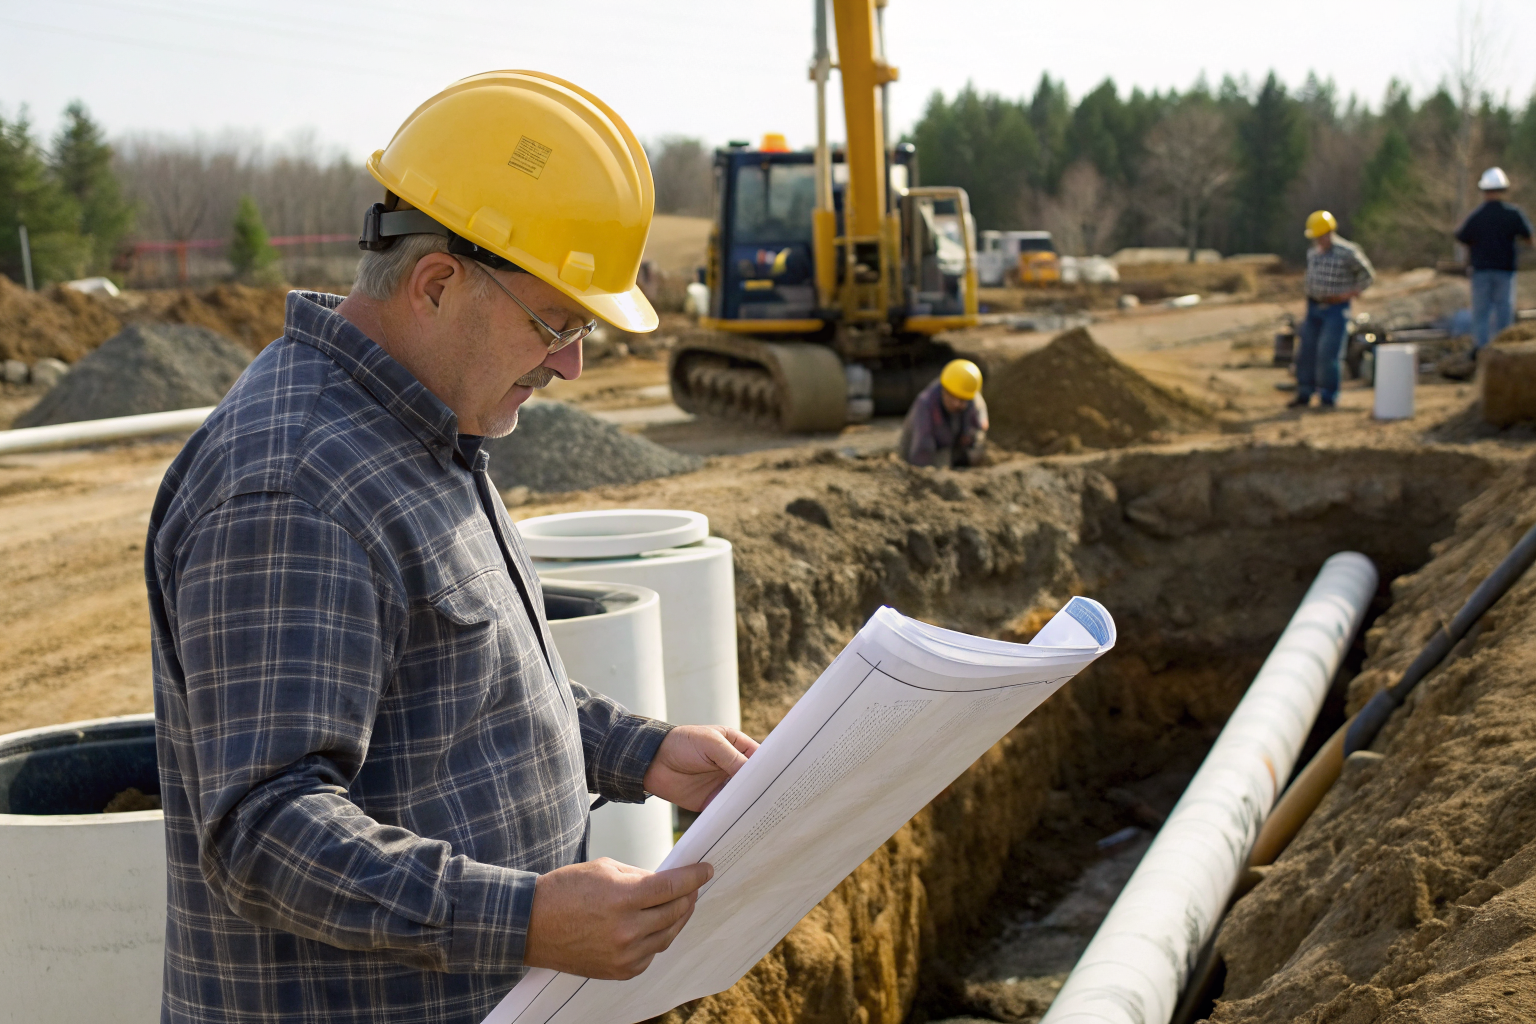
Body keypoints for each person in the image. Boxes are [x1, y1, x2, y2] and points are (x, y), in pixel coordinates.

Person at [145, 72, 757, 1024]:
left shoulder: (419, 435)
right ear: (437, 283)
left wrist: (643, 751)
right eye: (556, 324)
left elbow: (456, 688)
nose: (570, 363)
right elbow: (265, 830)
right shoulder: (298, 483)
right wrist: (524, 919)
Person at [1290, 210, 1375, 410]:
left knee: (1328, 354)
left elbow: (1367, 275)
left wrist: (1351, 292)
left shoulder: (1348, 252)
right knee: (1306, 351)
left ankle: (1328, 397)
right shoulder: (1313, 253)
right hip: (1314, 306)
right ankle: (1304, 392)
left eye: (1321, 236)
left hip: (1336, 308)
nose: (1319, 241)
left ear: (1329, 233)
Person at [1455, 167, 1533, 350]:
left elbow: (1461, 236)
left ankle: (1482, 352)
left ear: (1484, 191)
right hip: (1505, 271)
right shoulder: (1513, 214)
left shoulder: (1477, 216)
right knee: (1503, 313)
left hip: (1481, 272)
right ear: (1503, 190)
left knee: (1481, 315)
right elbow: (1529, 238)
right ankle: (1504, 351)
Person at [900, 359, 988, 467]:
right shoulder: (925, 404)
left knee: (977, 439)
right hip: (923, 454)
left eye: (962, 400)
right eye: (952, 398)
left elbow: (981, 424)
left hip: (953, 446)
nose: (956, 404)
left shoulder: (970, 395)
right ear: (944, 390)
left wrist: (970, 435)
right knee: (928, 448)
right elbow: (921, 448)